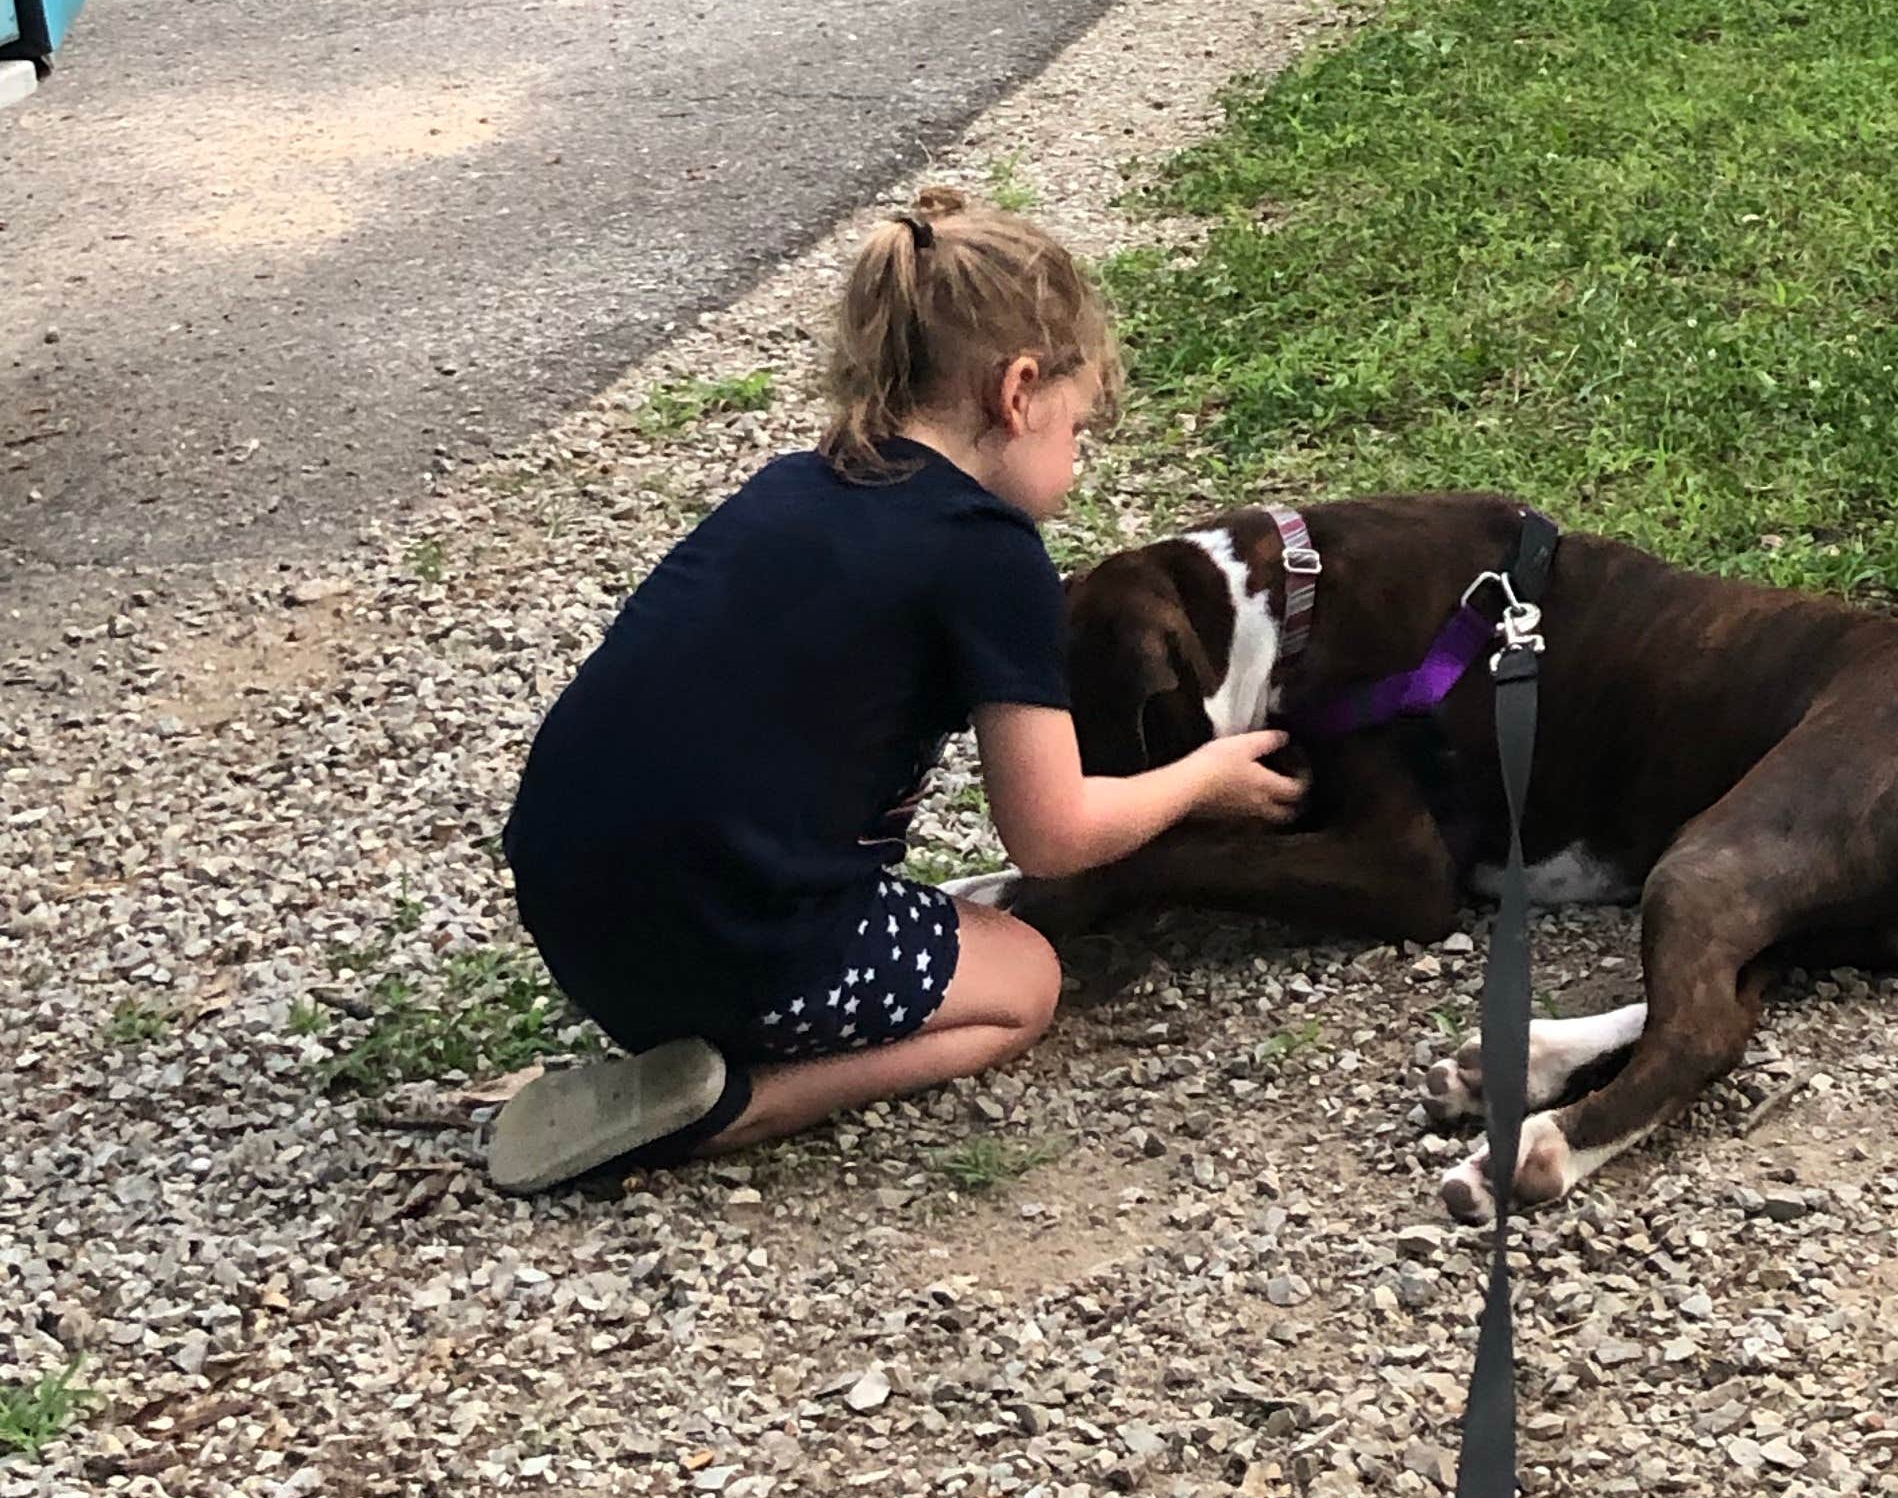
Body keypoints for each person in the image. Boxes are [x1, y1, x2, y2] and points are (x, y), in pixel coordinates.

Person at [487, 187, 1300, 1192]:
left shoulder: (795, 482)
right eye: (1077, 429)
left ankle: (697, 1044)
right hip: (732, 945)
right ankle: (731, 1108)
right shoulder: (988, 553)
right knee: (1025, 981)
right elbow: (1052, 837)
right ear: (1018, 393)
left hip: (575, 912)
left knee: (881, 909)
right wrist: (1204, 778)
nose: (1077, 462)